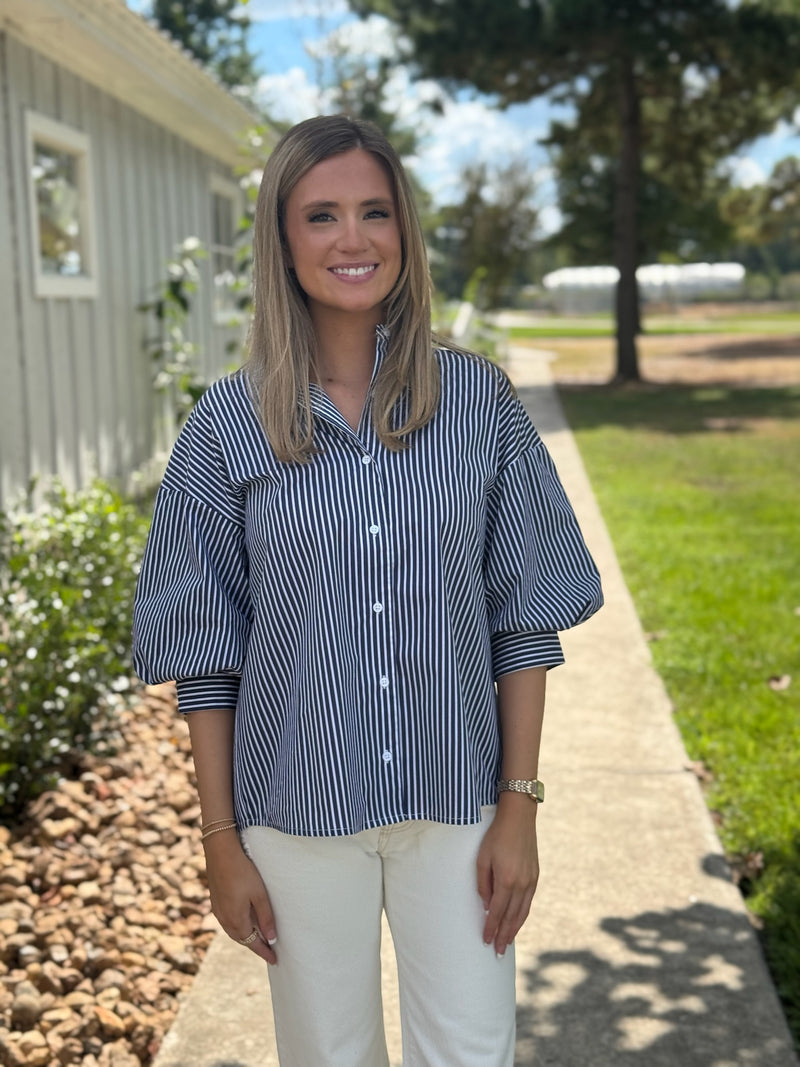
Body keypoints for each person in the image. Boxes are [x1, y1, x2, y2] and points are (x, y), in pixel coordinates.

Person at [132, 114, 602, 1067]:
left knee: (471, 1052)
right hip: (295, 814)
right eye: (322, 215)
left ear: (404, 232)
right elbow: (207, 660)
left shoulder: (479, 405)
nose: (353, 238)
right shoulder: (225, 427)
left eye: (374, 211)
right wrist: (222, 841)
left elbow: (524, 620)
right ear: (282, 239)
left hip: (459, 804)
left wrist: (521, 805)